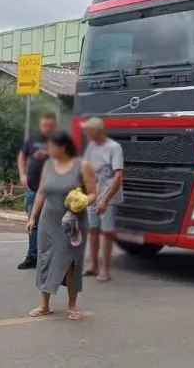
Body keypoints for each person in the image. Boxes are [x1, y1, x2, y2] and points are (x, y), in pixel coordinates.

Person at [26, 131, 97, 321]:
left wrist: (82, 201)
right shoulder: (49, 165)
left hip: (72, 221)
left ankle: (72, 305)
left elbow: (92, 193)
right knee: (44, 259)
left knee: (70, 263)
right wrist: (33, 217)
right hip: (48, 220)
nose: (48, 150)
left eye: (51, 146)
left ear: (63, 147)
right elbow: (41, 192)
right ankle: (44, 304)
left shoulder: (82, 166)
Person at [81, 117, 124, 282]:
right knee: (92, 229)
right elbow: (86, 168)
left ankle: (105, 268)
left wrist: (105, 199)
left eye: (88, 132)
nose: (85, 135)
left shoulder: (114, 147)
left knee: (106, 232)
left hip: (109, 196)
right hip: (92, 194)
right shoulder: (91, 146)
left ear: (97, 132)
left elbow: (119, 176)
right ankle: (93, 264)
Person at [16, 112, 57, 270]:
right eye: (44, 125)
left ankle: (50, 257)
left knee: (53, 224)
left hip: (53, 190)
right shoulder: (33, 139)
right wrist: (22, 174)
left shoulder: (59, 140)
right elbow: (22, 155)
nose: (46, 128)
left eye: (49, 126)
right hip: (34, 188)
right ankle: (32, 257)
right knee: (33, 223)